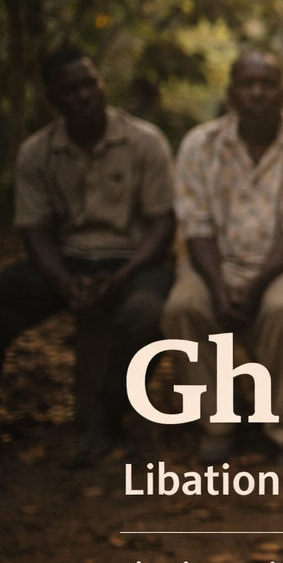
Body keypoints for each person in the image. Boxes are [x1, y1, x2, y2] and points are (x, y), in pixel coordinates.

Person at [2, 46, 176, 459]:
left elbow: (163, 225)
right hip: (67, 261)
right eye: (71, 89)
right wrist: (63, 281)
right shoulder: (37, 152)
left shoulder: (144, 141)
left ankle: (107, 420)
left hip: (134, 260)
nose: (84, 95)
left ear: (102, 84)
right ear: (54, 99)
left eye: (90, 83)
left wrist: (120, 277)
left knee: (147, 314)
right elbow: (35, 230)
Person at [162, 50, 283, 467]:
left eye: (268, 83)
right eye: (248, 84)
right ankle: (217, 424)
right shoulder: (200, 144)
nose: (258, 92)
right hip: (216, 260)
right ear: (232, 92)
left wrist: (254, 289)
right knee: (185, 306)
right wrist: (220, 288)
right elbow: (196, 225)